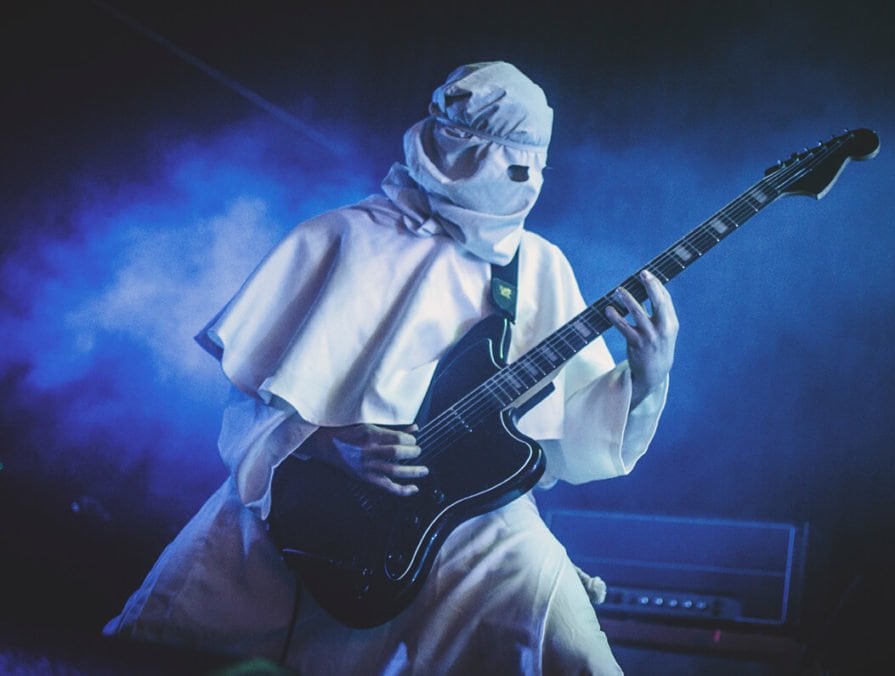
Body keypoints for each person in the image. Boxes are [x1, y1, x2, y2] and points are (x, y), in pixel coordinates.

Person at [105, 61, 678, 675]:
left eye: (535, 165)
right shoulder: (339, 237)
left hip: (473, 525)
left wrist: (648, 375)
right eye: (508, 163)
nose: (526, 183)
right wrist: (332, 447)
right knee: (157, 638)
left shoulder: (537, 265)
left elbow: (570, 441)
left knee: (578, 656)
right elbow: (254, 406)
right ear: (454, 149)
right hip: (310, 511)